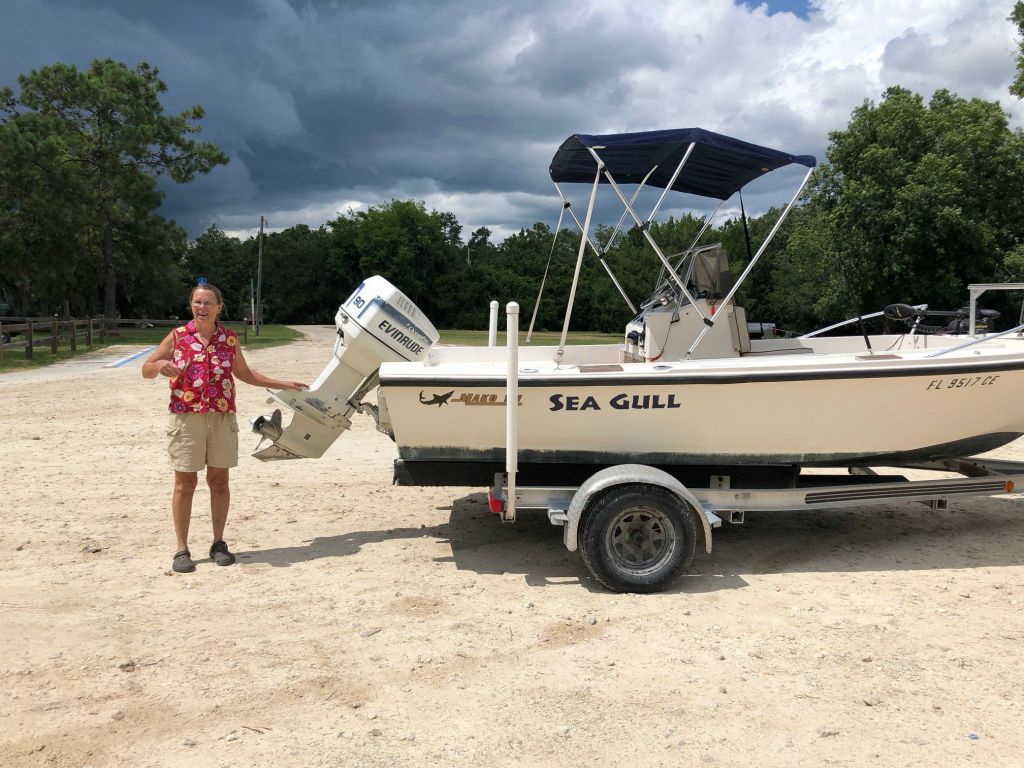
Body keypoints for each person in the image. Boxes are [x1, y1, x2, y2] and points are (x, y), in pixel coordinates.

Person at [142, 282, 307, 573]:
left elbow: (244, 374)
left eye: (207, 303)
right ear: (190, 305)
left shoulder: (229, 339)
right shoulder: (178, 336)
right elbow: (147, 368)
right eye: (197, 302)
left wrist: (282, 383)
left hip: (221, 417)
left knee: (219, 483)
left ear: (219, 307)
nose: (201, 308)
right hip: (186, 417)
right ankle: (181, 549)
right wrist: (160, 365)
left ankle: (218, 543)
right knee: (185, 484)